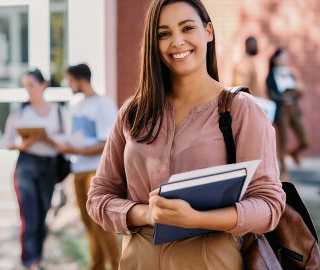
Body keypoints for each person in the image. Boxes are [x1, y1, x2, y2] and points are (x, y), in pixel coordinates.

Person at [86, 0, 286, 269]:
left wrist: (197, 219)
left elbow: (269, 206)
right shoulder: (133, 112)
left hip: (211, 259)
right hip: (139, 260)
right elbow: (99, 196)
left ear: (209, 32)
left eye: (187, 28)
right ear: (153, 44)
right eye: (164, 34)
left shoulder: (241, 110)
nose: (177, 41)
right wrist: (146, 213)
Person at [57, 63, 120, 270]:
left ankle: (119, 265)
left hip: (96, 171)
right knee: (87, 224)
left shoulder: (103, 105)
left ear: (80, 79)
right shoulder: (76, 106)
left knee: (101, 224)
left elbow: (107, 143)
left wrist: (77, 151)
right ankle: (97, 265)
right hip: (78, 171)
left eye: (70, 80)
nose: (69, 84)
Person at [2, 69, 67, 270]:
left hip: (49, 166)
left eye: (31, 85)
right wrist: (25, 144)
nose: (28, 90)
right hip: (26, 165)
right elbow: (8, 142)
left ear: (43, 85)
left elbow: (67, 141)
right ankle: (30, 261)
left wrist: (48, 139)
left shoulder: (58, 111)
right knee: (29, 215)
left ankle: (37, 257)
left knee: (43, 213)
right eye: (25, 86)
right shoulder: (20, 113)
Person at [266, 48, 309, 180]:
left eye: (287, 57)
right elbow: (273, 95)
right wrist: (286, 95)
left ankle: (294, 152)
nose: (286, 59)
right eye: (283, 57)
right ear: (276, 59)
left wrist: (295, 93)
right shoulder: (271, 77)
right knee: (283, 142)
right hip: (282, 110)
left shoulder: (290, 73)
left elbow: (298, 89)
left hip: (294, 109)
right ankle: (284, 171)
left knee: (305, 140)